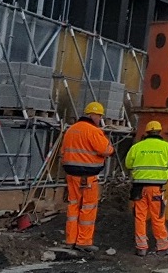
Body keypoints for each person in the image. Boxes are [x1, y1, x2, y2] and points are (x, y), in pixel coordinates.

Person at [62, 102, 115, 252]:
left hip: (71, 175)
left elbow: (63, 151)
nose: (99, 119)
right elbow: (105, 150)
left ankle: (70, 240)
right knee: (88, 208)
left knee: (73, 206)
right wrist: (111, 149)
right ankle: (84, 241)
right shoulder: (93, 131)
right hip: (88, 176)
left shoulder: (70, 130)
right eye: (99, 116)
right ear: (93, 115)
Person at [126, 121, 168, 256]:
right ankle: (162, 247)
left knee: (140, 217)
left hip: (139, 189)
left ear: (146, 132)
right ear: (160, 132)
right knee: (158, 217)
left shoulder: (137, 147)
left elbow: (128, 164)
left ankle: (141, 247)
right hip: (156, 189)